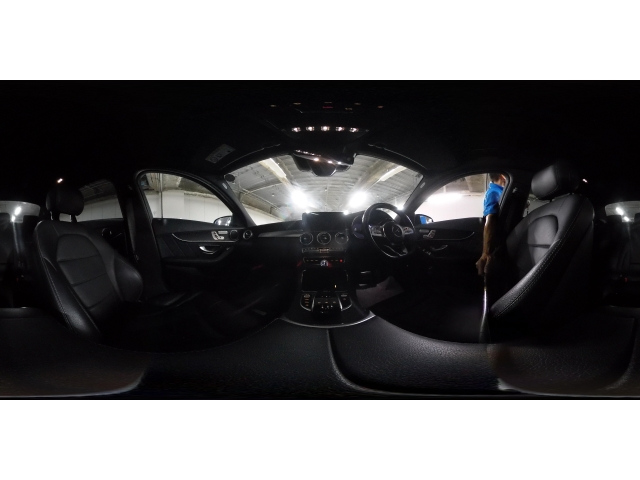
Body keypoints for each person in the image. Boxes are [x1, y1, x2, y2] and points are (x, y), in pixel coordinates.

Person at [476, 172, 507, 276]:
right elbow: (490, 219)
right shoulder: (493, 192)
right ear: (502, 176)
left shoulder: (503, 191)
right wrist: (485, 253)